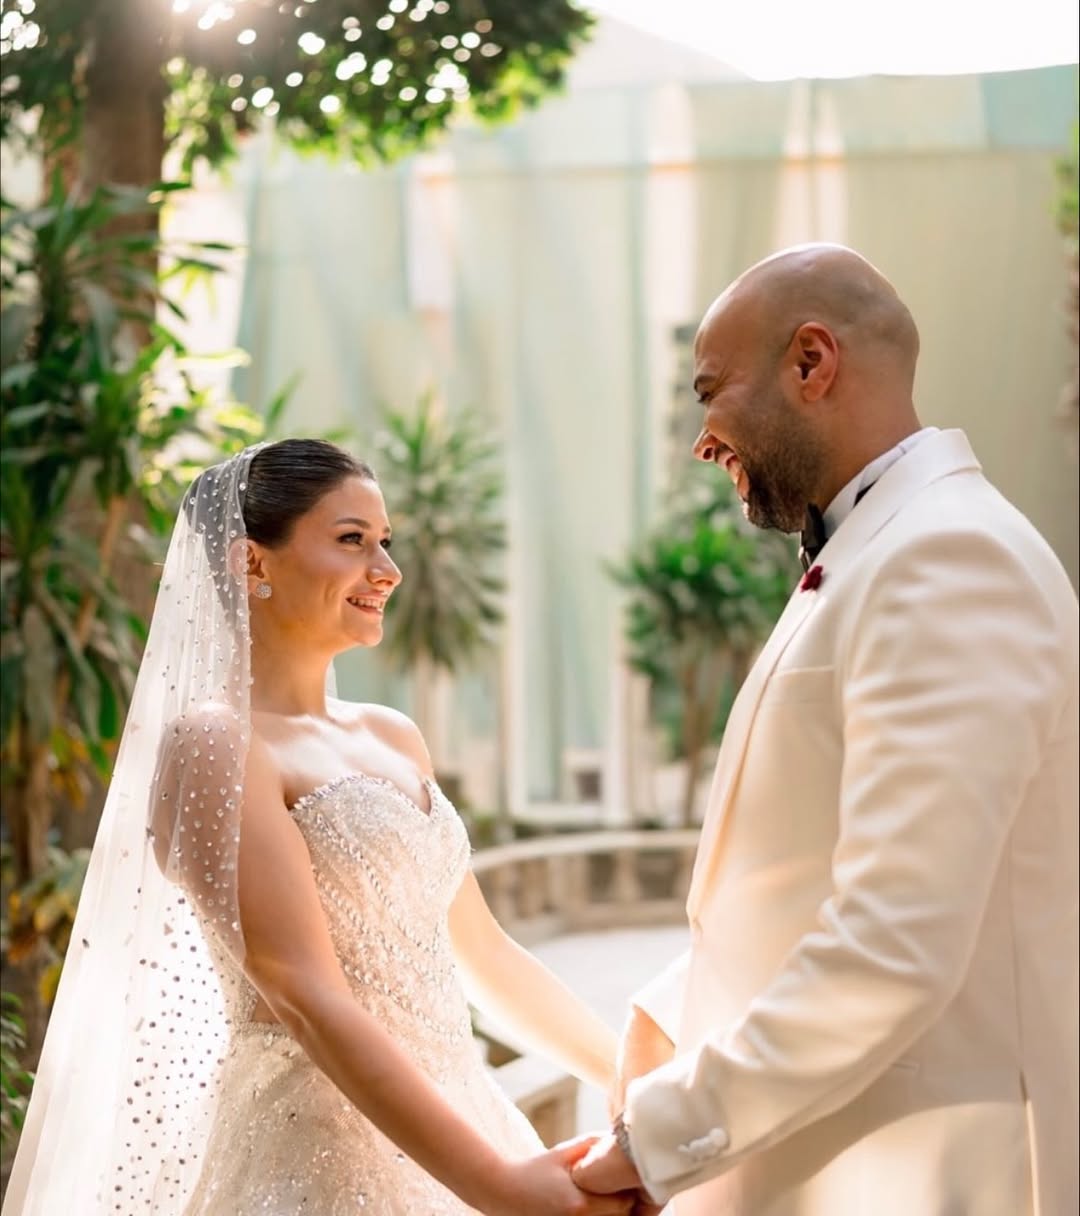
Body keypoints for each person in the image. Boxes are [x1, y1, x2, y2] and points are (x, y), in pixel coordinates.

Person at [572, 244, 1079, 1216]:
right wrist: (672, 1008)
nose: (702, 441)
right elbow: (811, 865)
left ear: (812, 362)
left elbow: (897, 939)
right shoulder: (886, 546)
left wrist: (654, 1139)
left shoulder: (950, 556)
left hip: (929, 1175)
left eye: (710, 392)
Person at [5, 439, 634, 1216]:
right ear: (251, 562)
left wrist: (637, 1081)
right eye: (351, 539)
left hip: (464, 1123)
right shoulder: (216, 745)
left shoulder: (393, 734)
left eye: (385, 541)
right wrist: (498, 1187)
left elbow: (485, 956)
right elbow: (302, 991)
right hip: (319, 1167)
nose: (387, 570)